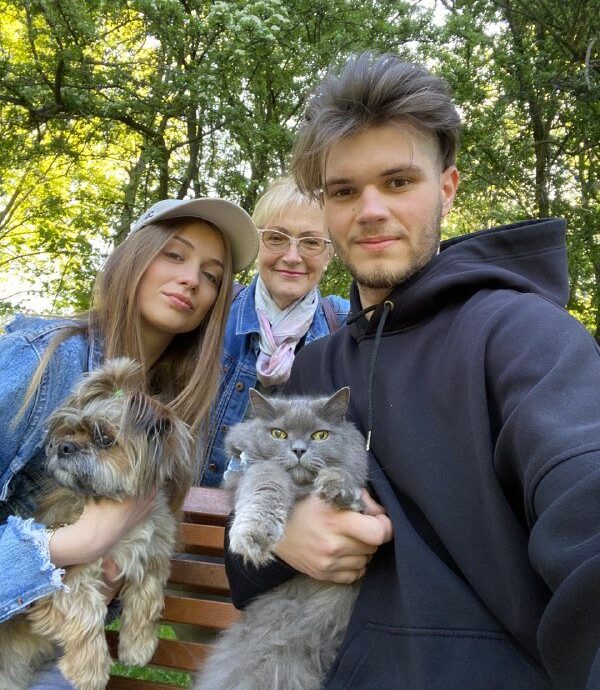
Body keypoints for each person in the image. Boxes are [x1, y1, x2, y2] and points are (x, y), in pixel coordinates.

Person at [224, 53, 600, 689]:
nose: (370, 209)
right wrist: (283, 532)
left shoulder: (523, 337)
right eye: (344, 191)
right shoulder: (316, 367)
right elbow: (247, 570)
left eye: (398, 182)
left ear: (446, 187)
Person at [0, 196, 258, 687]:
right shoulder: (36, 362)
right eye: (175, 255)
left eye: (212, 276)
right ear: (133, 257)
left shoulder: (171, 410)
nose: (191, 280)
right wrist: (73, 543)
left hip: (48, 651)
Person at [200, 178, 349, 485]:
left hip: (281, 522)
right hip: (188, 515)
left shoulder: (346, 326)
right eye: (277, 238)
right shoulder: (211, 309)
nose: (292, 257)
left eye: (311, 242)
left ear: (329, 253)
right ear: (257, 243)